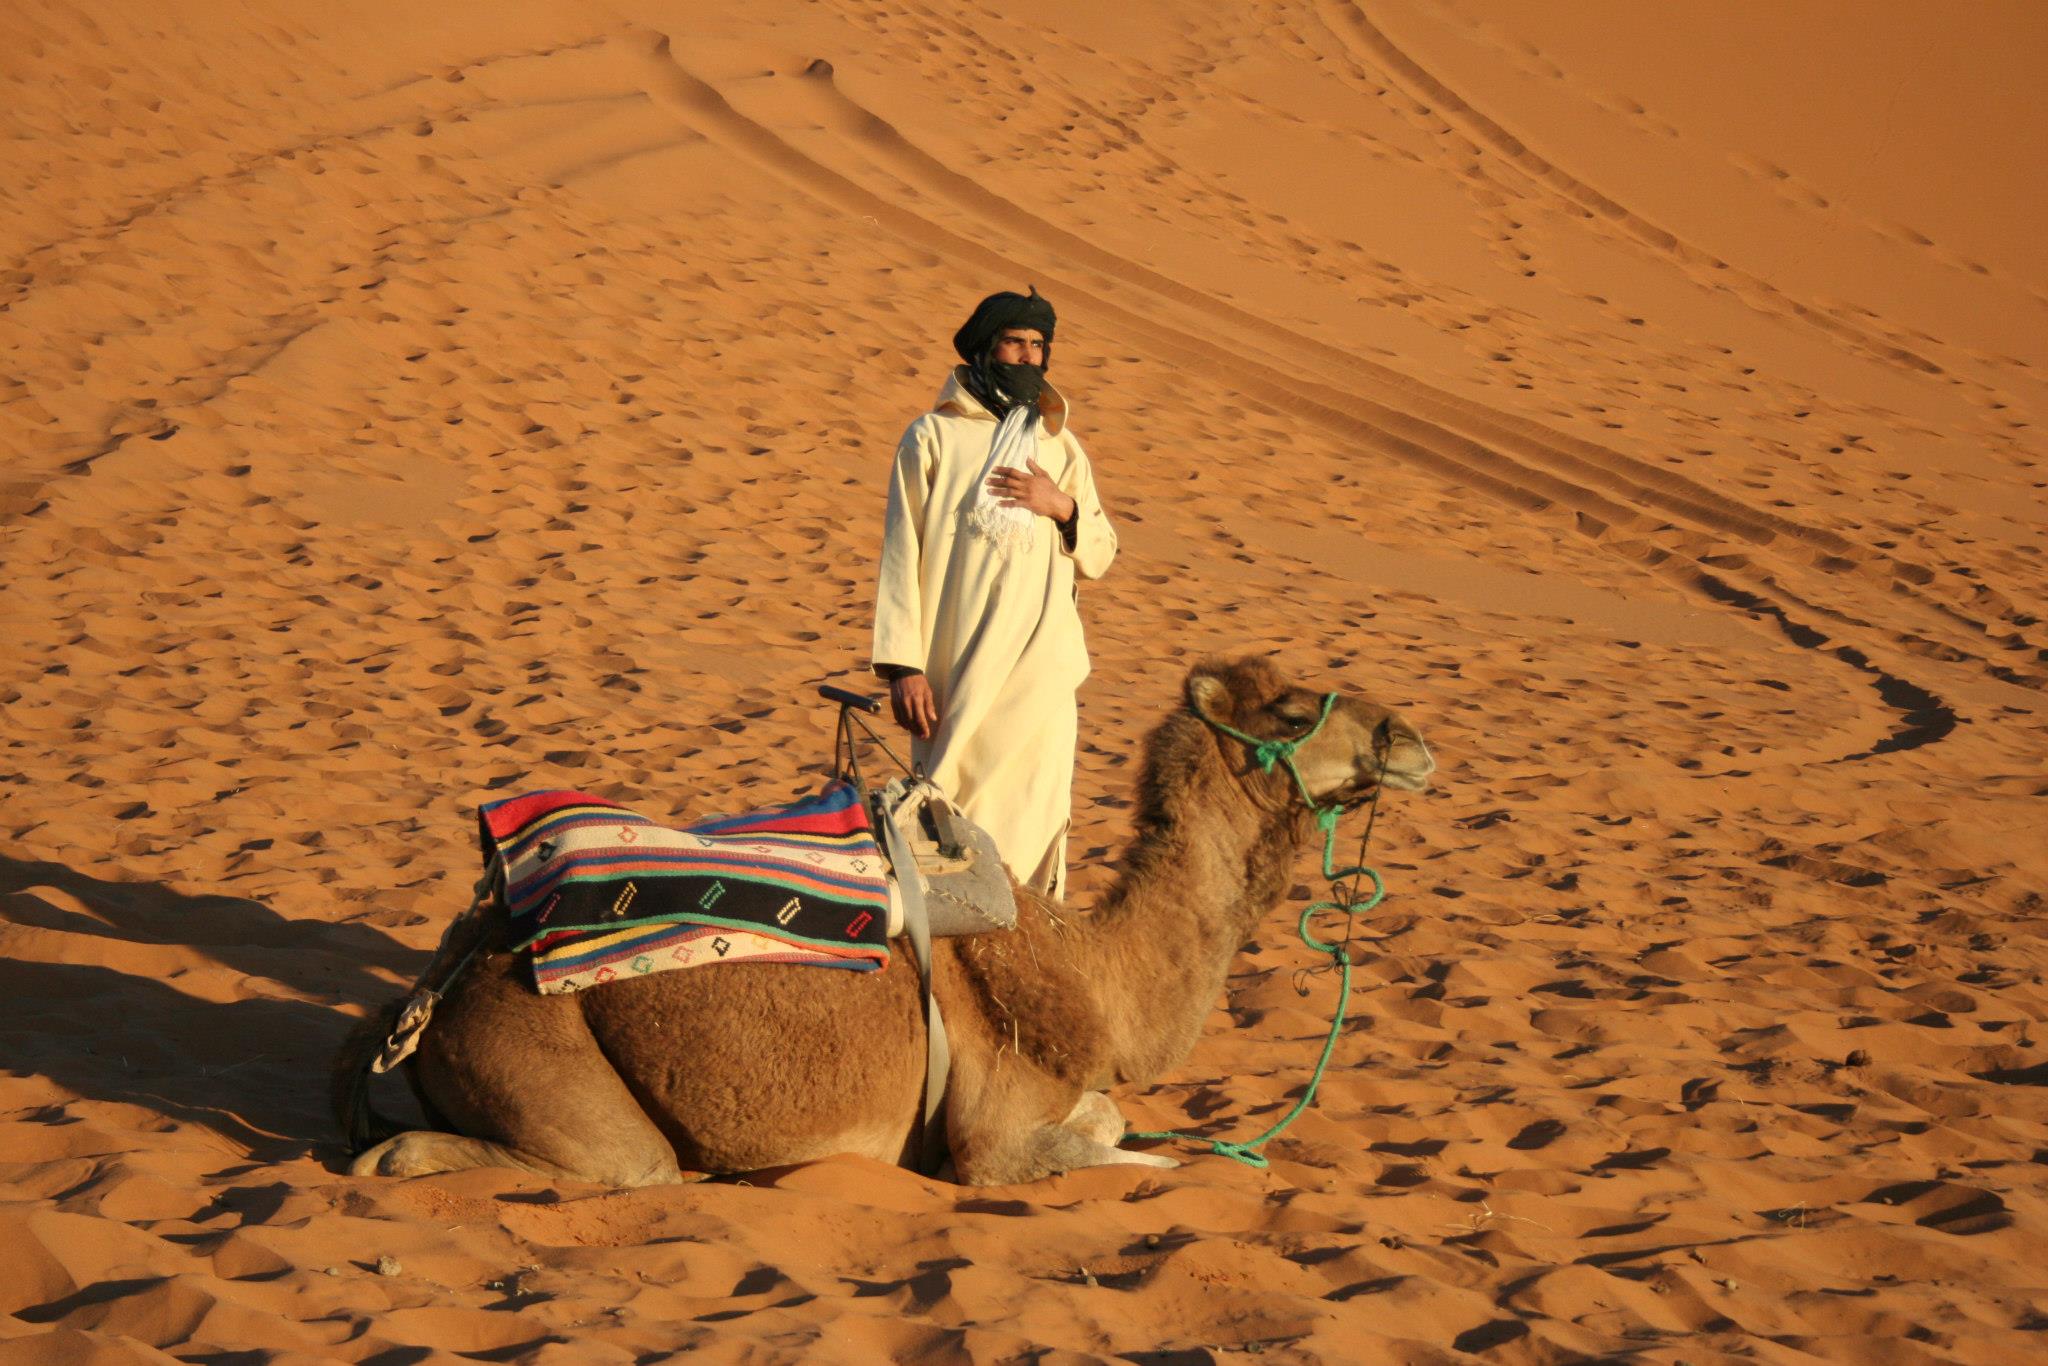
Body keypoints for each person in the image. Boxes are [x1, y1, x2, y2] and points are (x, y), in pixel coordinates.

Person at [870, 287, 1117, 897]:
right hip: (956, 669)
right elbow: (903, 553)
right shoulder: (932, 437)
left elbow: (1103, 552)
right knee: (950, 813)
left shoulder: (1060, 447)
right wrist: (904, 666)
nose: (1028, 357)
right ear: (987, 347)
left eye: (1038, 346)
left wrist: (1060, 507)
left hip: (1042, 671)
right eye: (1015, 342)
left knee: (1035, 811)